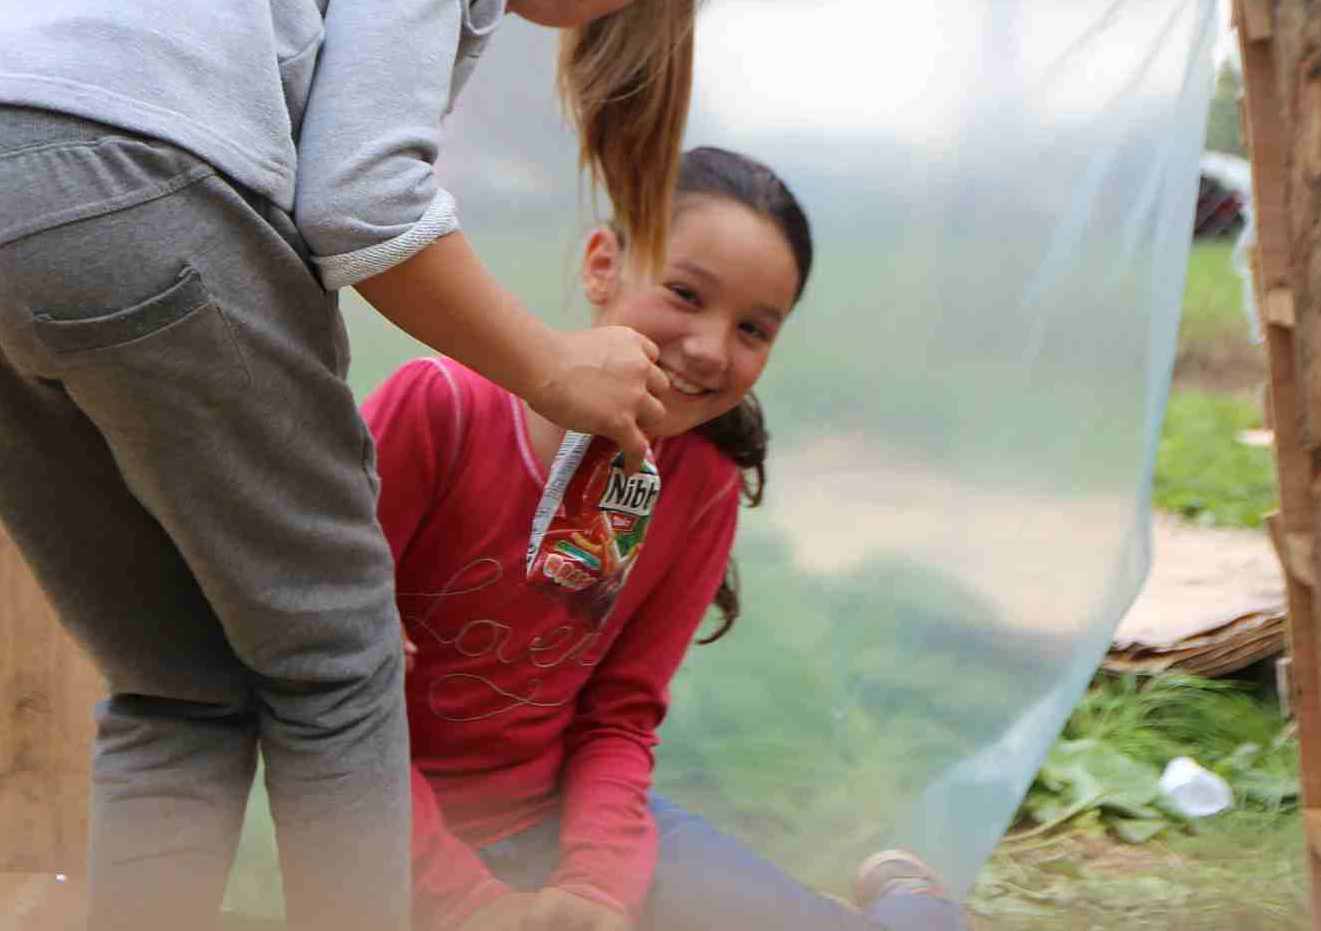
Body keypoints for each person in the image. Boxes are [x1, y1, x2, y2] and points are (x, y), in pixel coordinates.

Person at [0, 0, 747, 931]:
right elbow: (361, 206)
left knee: (177, 678)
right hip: (120, 187)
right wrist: (550, 365)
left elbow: (302, 226)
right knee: (339, 660)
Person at [368, 146, 969, 931]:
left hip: (569, 830)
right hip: (381, 838)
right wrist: (467, 903)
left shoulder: (703, 483)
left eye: (753, 328)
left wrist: (597, 888)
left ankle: (912, 905)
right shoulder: (439, 412)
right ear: (602, 265)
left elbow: (619, 715)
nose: (712, 348)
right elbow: (332, 698)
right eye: (686, 294)